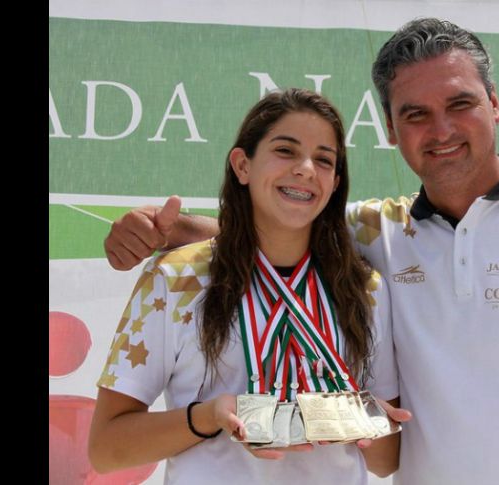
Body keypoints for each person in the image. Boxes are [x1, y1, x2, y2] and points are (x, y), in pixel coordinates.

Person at [103, 18, 499, 485]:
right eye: (416, 114)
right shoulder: (379, 230)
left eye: (460, 104)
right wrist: (162, 230)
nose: (441, 129)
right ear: (390, 129)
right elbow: (278, 223)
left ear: (494, 104)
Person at [89, 88, 410, 485]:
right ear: (242, 165)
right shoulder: (177, 279)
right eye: (285, 151)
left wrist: (359, 418)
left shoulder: (364, 289)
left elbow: (384, 461)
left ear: (334, 183)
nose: (306, 169)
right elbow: (105, 449)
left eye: (324, 160)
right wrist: (208, 417)